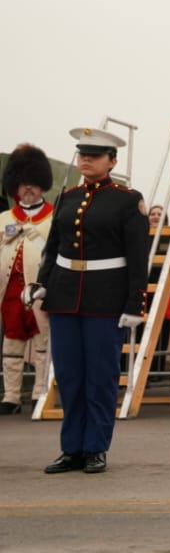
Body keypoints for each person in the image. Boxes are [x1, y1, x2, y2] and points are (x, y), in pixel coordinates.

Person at [34, 128, 150, 474]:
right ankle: (71, 449)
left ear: (112, 161)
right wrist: (42, 283)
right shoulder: (67, 197)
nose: (86, 159)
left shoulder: (128, 200)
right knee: (70, 376)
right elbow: (53, 247)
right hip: (66, 296)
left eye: (95, 155)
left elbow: (137, 257)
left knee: (100, 377)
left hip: (105, 298)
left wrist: (134, 304)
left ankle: (96, 447)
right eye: (82, 154)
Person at [2, 145, 55, 415]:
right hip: (10, 290)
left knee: (43, 343)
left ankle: (39, 393)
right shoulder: (4, 220)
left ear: (42, 185)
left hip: (40, 289)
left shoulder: (54, 217)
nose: (28, 189)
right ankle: (11, 396)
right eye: (23, 184)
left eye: (33, 184)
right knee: (12, 343)